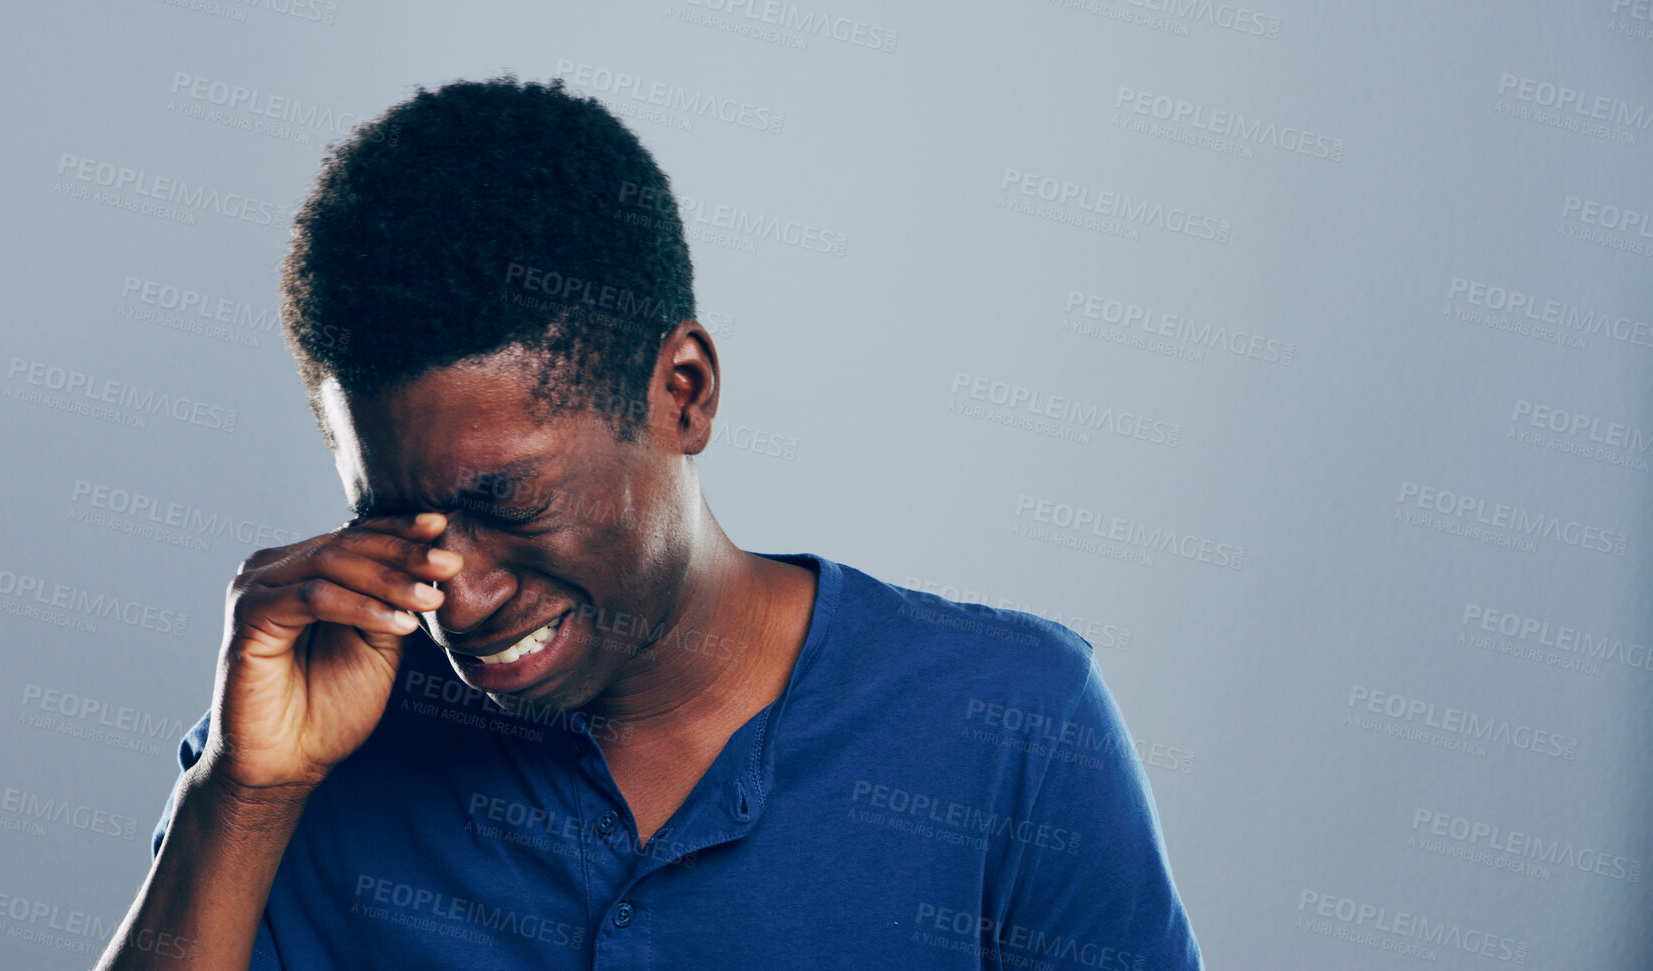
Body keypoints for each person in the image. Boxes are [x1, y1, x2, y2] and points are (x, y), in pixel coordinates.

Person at [96, 75, 1203, 970]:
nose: (460, 597)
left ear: (683, 391)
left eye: (511, 500)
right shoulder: (304, 736)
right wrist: (244, 791)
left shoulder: (1009, 725)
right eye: (398, 521)